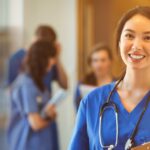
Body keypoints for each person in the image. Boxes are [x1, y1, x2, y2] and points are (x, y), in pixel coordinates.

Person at [69, 6, 150, 150]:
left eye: (148, 37)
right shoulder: (92, 101)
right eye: (129, 36)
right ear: (119, 42)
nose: (137, 45)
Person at [7, 25, 68, 150]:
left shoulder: (37, 82)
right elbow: (35, 123)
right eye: (49, 65)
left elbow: (41, 112)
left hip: (43, 142)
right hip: (28, 143)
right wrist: (50, 117)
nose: (50, 69)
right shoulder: (27, 84)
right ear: (42, 61)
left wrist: (47, 113)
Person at [74, 43, 114, 111]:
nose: (99, 65)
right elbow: (79, 110)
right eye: (95, 60)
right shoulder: (82, 84)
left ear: (110, 61)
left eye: (103, 60)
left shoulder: (119, 84)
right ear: (91, 63)